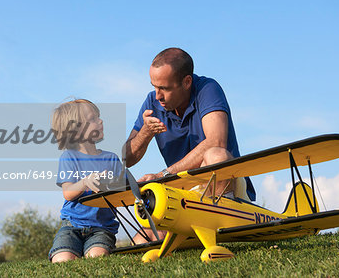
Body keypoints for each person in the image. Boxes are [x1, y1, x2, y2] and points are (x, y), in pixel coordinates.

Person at [125, 48, 255, 243]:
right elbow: (127, 159)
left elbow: (216, 142)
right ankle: (191, 235)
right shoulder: (152, 101)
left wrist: (163, 176)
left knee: (216, 156)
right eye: (154, 86)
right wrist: (145, 132)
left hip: (221, 185)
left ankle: (221, 232)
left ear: (187, 82)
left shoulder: (207, 89)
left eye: (165, 88)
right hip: (182, 192)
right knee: (142, 242)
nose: (157, 95)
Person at [48, 99, 121, 262]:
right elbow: (68, 193)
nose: (100, 121)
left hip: (102, 228)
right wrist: (85, 182)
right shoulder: (69, 157)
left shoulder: (111, 159)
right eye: (93, 119)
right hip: (71, 227)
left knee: (96, 256)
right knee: (62, 259)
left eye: (98, 117)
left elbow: (122, 193)